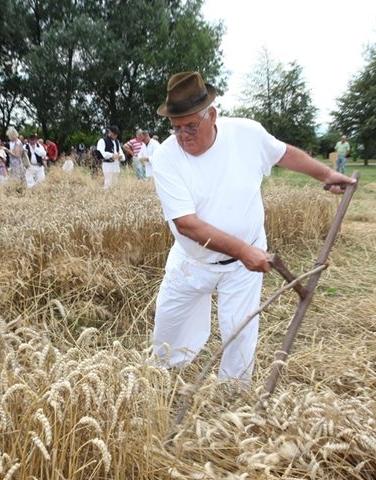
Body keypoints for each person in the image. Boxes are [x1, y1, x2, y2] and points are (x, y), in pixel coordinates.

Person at [150, 71, 355, 383]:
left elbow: (283, 153)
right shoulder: (166, 156)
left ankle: (232, 398)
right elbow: (187, 225)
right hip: (191, 261)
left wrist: (326, 174)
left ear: (212, 115)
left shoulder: (246, 134)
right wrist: (244, 251)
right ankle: (159, 383)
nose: (183, 136)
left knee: (239, 331)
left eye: (191, 126)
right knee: (167, 331)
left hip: (241, 266)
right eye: (176, 128)